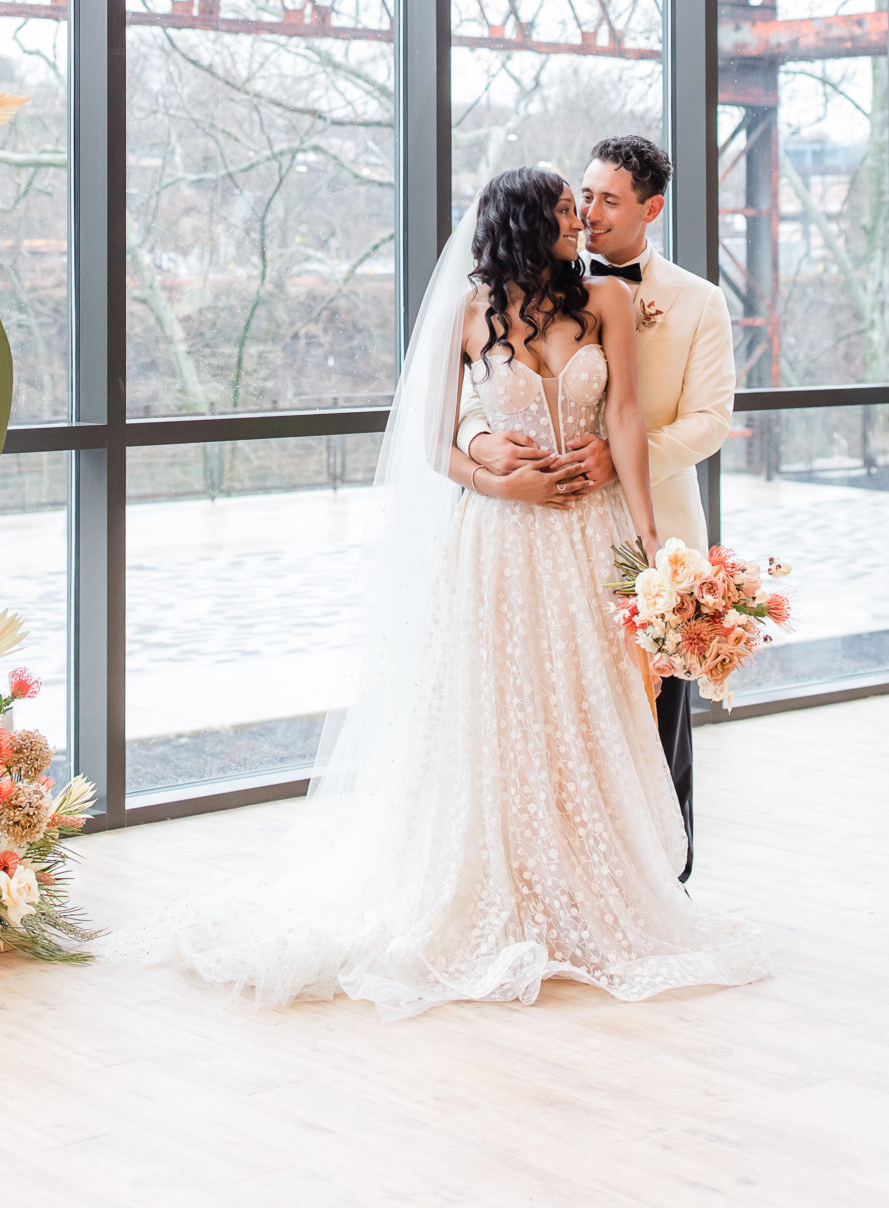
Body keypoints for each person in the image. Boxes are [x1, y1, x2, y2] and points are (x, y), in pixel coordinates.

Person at [109, 167, 766, 1016]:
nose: (579, 226)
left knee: (587, 705)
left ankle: (590, 889)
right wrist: (498, 484)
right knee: (498, 709)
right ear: (526, 224)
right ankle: (497, 886)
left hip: (588, 530)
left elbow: (629, 421)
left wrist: (646, 537)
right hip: (497, 541)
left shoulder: (603, 304)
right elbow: (433, 449)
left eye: (583, 210)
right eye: (565, 214)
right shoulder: (465, 315)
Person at [456, 134, 734, 881]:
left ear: (650, 209)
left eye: (608, 200)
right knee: (539, 706)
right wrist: (485, 453)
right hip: (527, 531)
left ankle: (661, 881)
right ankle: (549, 873)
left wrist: (623, 461)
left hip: (646, 525)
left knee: (652, 722)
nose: (589, 210)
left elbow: (710, 418)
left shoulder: (695, 302)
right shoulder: (510, 301)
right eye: (583, 195)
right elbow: (459, 408)